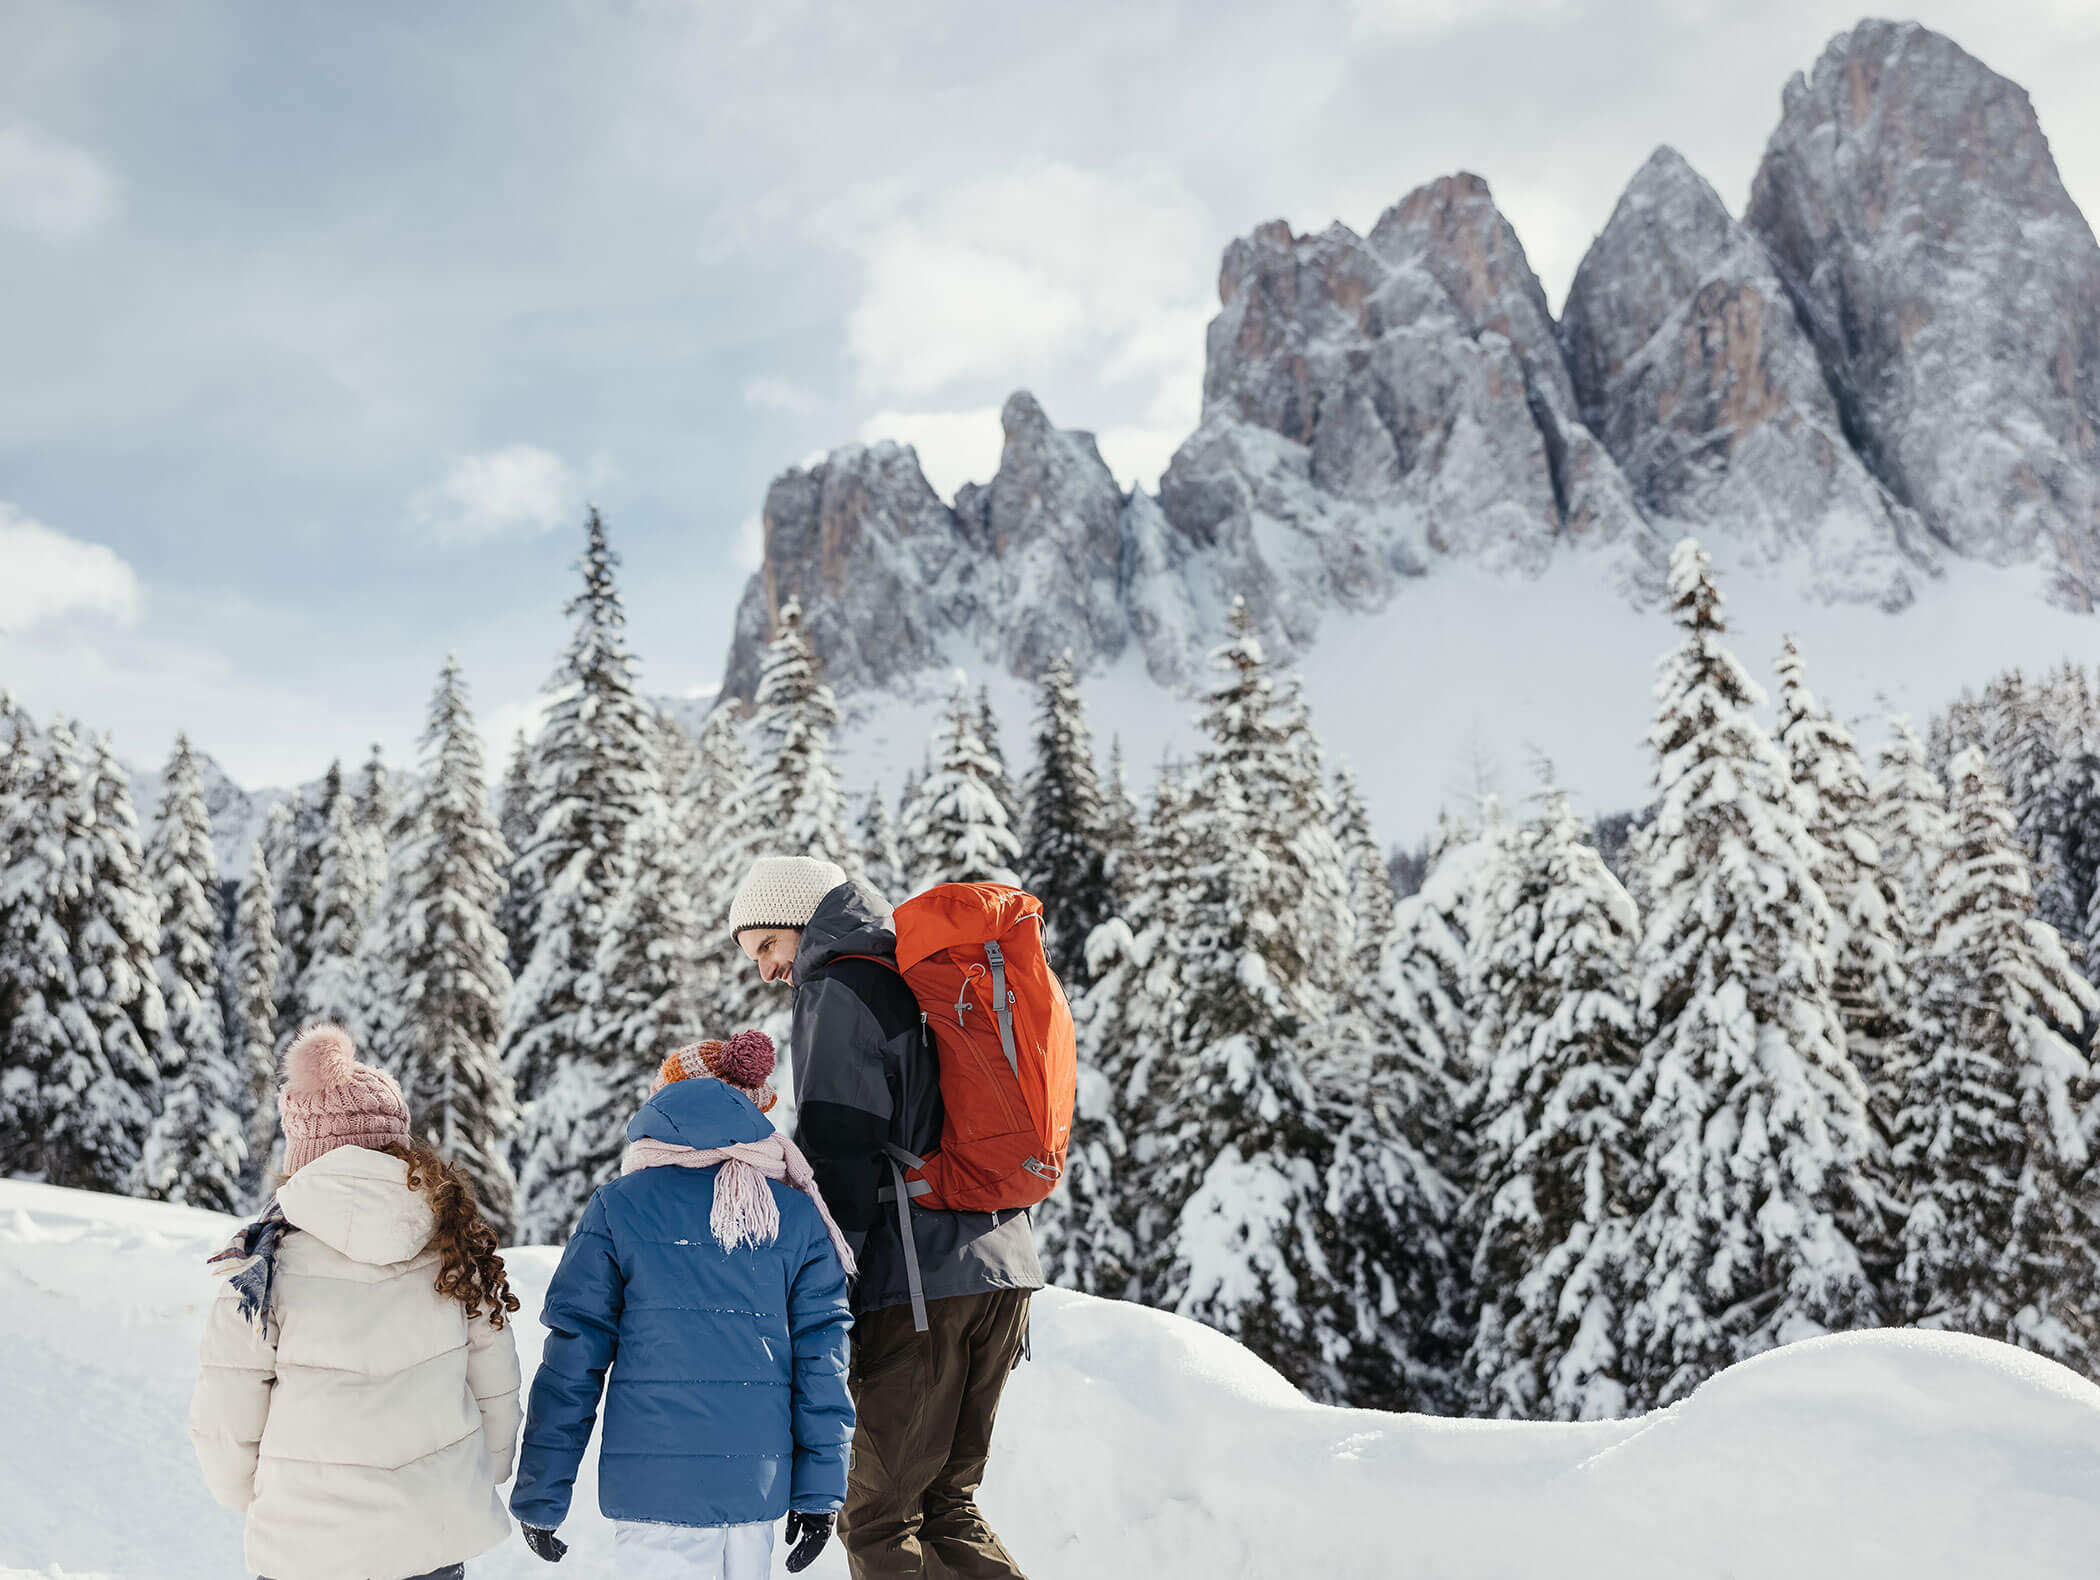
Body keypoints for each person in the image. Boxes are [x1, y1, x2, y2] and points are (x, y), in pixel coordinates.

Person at [732, 855, 1042, 1580]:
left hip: (918, 1285)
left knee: (877, 1515)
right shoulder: (908, 968)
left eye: (767, 949)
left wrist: (824, 1277)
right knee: (944, 1506)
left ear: (798, 919)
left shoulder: (838, 985)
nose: (769, 971)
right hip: (1001, 1266)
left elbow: (842, 1148)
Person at [510, 1029, 855, 1580]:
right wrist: (819, 1493)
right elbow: (823, 1360)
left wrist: (541, 1493)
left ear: (664, 1108)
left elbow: (573, 1359)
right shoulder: (791, 1209)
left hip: (655, 1498)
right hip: (754, 1493)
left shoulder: (619, 1206)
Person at [189, 1024, 523, 1580]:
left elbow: (227, 1407)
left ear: (304, 1151)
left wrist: (256, 1495)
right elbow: (496, 1391)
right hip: (430, 1531)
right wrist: (472, 1474)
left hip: (306, 1541)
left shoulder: (264, 1266)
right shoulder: (452, 1246)